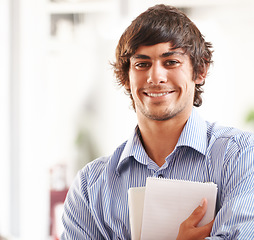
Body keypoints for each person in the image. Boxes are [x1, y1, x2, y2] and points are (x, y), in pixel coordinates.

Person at [61, 4, 254, 239]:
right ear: (126, 77)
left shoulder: (240, 156)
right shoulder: (89, 188)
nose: (155, 77)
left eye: (171, 62)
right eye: (142, 64)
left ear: (200, 70)